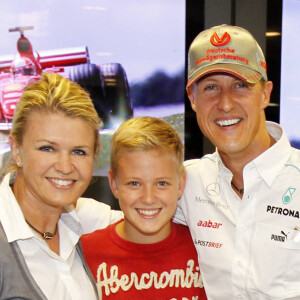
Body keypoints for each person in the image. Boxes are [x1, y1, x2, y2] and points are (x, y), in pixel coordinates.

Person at [173, 24, 300, 299]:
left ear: (265, 94)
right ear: (192, 99)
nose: (226, 103)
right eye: (210, 88)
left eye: (240, 85)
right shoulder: (185, 182)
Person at [0, 72, 123, 300]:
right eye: (47, 148)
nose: (65, 167)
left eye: (79, 151)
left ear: (94, 155)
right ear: (17, 150)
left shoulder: (86, 219)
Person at [81, 116, 207, 299]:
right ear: (114, 184)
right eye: (134, 183)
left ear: (180, 185)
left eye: (162, 183)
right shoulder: (84, 253)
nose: (148, 198)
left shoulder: (204, 249)